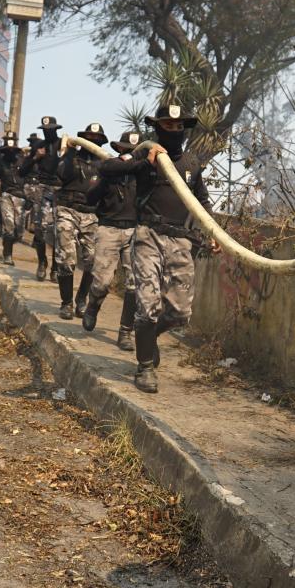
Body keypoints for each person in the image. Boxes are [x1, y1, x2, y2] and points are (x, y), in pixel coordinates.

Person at [100, 105, 217, 393]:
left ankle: (148, 340)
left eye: (178, 127)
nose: (173, 131)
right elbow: (106, 168)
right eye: (168, 126)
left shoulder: (192, 163)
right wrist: (142, 159)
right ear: (158, 128)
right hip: (148, 235)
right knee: (147, 305)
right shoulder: (145, 155)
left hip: (181, 239)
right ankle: (145, 367)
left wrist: (212, 230)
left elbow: (202, 201)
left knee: (180, 312)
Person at [81, 131, 143, 351]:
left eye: (133, 151)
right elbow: (90, 197)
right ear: (120, 150)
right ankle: (92, 306)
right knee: (102, 281)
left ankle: (125, 331)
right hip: (109, 229)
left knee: (135, 284)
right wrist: (106, 179)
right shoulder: (108, 169)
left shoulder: (142, 172)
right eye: (126, 150)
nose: (129, 154)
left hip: (135, 231)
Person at [53, 122, 107, 319]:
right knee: (67, 259)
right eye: (89, 138)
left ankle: (81, 300)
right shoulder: (72, 158)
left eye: (96, 139)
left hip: (91, 215)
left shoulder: (104, 164)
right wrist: (67, 153)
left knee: (93, 261)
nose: (92, 141)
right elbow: (61, 175)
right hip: (68, 210)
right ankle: (66, 303)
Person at [20, 116, 64, 281]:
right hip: (42, 187)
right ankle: (42, 263)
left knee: (58, 232)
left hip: (60, 190)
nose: (47, 132)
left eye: (50, 130)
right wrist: (35, 158)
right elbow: (22, 171)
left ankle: (55, 267)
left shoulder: (64, 144)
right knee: (40, 230)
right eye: (45, 130)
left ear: (55, 129)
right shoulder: (38, 146)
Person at [0, 131, 25, 265]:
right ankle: (7, 254)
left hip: (20, 194)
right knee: (9, 226)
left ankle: (12, 237)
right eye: (8, 140)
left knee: (18, 229)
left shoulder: (22, 158)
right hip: (4, 190)